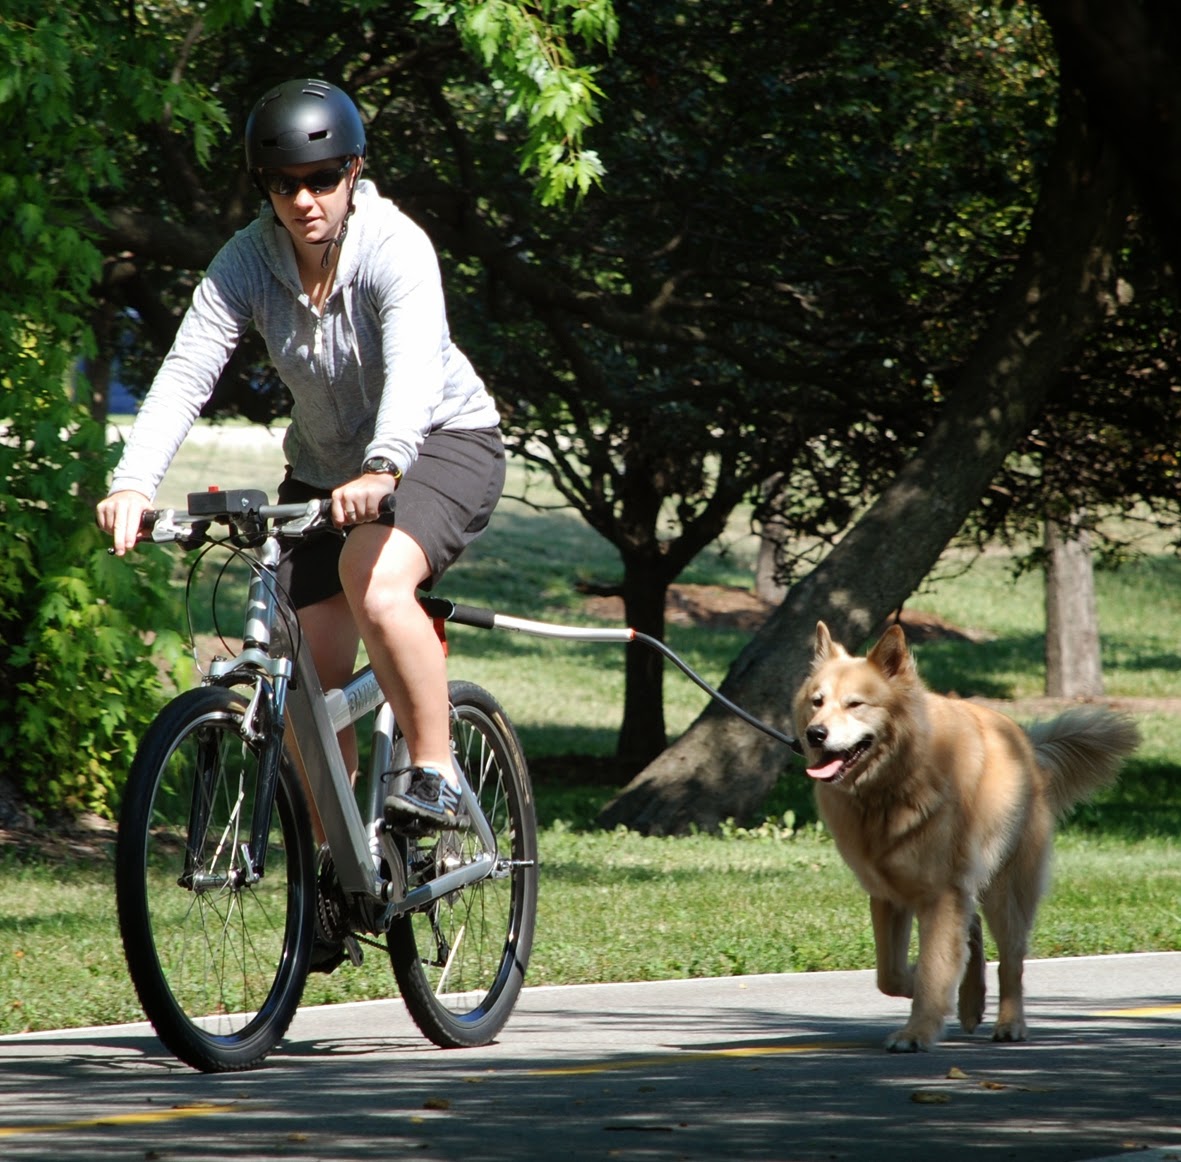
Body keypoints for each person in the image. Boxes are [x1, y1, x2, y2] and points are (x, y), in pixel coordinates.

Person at [97, 77, 504, 839]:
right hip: (323, 470)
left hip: (440, 447)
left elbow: (414, 367)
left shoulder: (395, 246)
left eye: (321, 179)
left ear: (352, 171)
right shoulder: (246, 260)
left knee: (375, 583)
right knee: (298, 679)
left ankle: (435, 771)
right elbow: (187, 372)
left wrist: (384, 466)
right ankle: (333, 874)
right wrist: (131, 483)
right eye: (283, 184)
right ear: (265, 187)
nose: (304, 199)